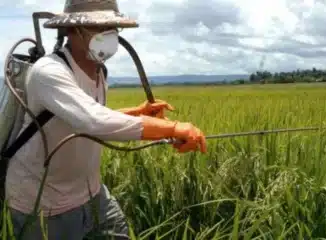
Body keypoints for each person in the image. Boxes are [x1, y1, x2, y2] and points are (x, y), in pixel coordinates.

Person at [4, 0, 207, 239]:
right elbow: (94, 120)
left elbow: (86, 116)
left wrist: (137, 113)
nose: (108, 34)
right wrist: (171, 127)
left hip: (92, 195)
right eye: (99, 27)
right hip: (42, 204)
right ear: (73, 31)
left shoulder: (98, 70)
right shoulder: (48, 72)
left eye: (112, 27)